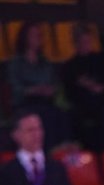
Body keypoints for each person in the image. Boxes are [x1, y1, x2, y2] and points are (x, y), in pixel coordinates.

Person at [8, 22, 68, 151]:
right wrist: (32, 90)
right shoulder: (16, 63)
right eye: (34, 35)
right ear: (25, 38)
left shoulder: (45, 63)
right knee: (41, 116)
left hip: (46, 102)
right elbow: (14, 89)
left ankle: (57, 153)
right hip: (25, 104)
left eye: (40, 35)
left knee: (61, 115)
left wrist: (50, 90)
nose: (38, 38)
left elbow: (54, 84)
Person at [61, 22, 104, 152]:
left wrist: (101, 88)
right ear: (75, 43)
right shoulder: (69, 66)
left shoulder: (101, 61)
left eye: (87, 41)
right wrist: (83, 86)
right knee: (74, 119)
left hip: (103, 103)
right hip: (81, 105)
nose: (85, 45)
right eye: (82, 41)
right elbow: (69, 94)